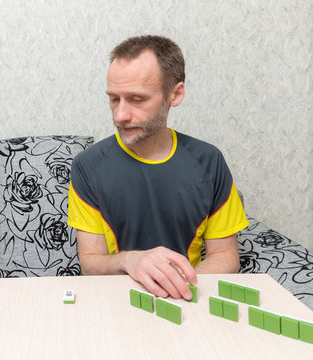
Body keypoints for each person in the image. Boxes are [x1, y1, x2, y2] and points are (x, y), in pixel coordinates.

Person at [67, 35, 249, 300]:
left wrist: (175, 285)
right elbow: (91, 261)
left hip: (187, 299)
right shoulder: (88, 165)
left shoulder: (209, 161)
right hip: (116, 299)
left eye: (137, 99)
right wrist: (129, 261)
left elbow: (225, 256)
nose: (120, 115)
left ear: (175, 94)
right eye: (114, 99)